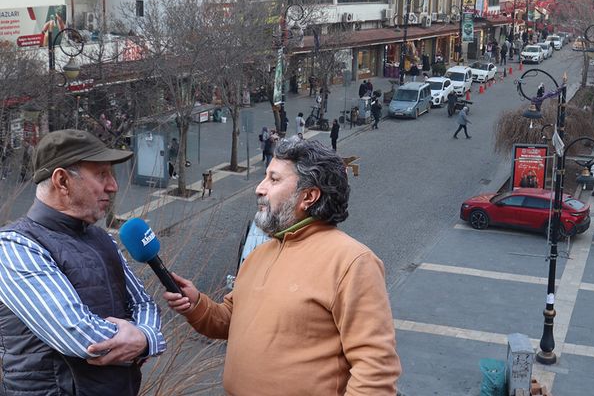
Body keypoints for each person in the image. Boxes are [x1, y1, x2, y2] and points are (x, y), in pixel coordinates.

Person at [163, 138, 401, 395]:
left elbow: (375, 369)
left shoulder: (353, 262)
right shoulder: (259, 254)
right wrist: (197, 303)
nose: (259, 188)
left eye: (274, 180)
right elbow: (231, 321)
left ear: (308, 196)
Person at [0, 129, 166, 395]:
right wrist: (144, 339)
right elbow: (78, 334)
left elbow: (144, 303)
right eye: (102, 174)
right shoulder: (14, 246)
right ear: (62, 181)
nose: (113, 185)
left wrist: (145, 337)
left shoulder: (102, 238)